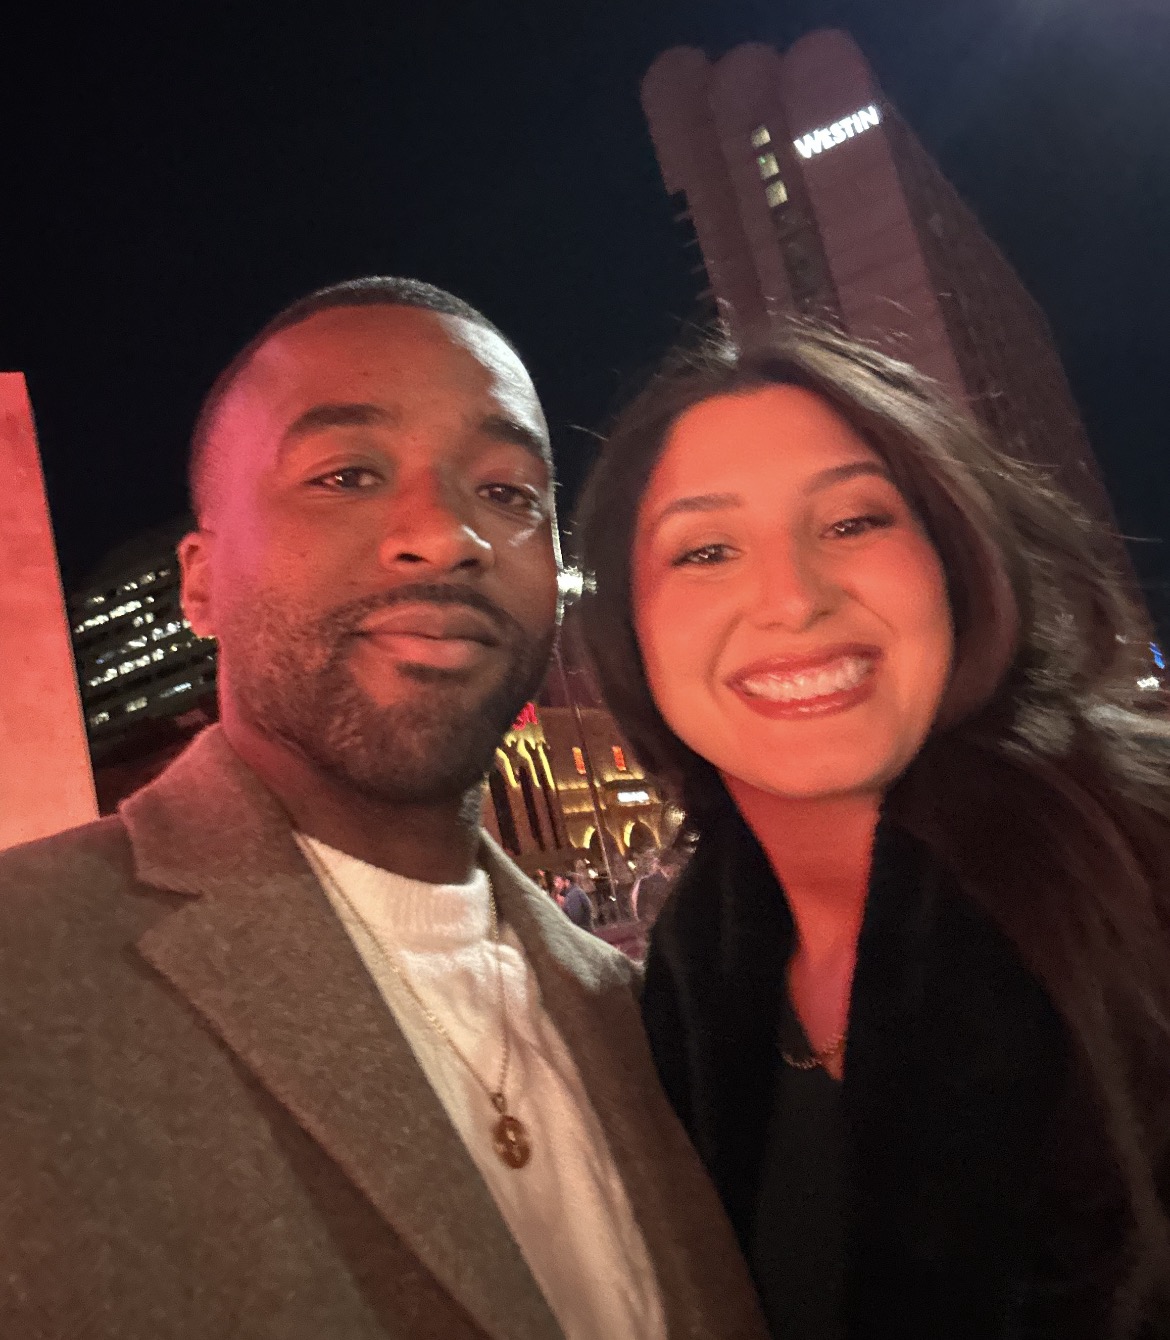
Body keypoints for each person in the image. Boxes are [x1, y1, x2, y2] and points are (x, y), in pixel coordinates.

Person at [0, 279, 769, 1340]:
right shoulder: (26, 973)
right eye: (349, 473)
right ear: (199, 584)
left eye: (507, 492)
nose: (446, 534)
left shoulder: (643, 1017)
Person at [576, 324, 1170, 1339]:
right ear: (630, 631)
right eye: (707, 549)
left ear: (951, 556)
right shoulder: (687, 987)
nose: (795, 598)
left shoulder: (1141, 858)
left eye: (853, 522)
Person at [631, 846, 684, 926]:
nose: (677, 868)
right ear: (669, 866)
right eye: (676, 865)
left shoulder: (645, 881)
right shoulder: (663, 883)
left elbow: (640, 910)